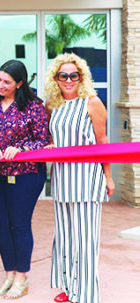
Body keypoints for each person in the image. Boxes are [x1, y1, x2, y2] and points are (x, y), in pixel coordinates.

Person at [44, 53, 115, 303]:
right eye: (63, 75)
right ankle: (68, 286)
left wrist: (108, 176)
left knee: (85, 241)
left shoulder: (92, 103)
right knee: (64, 238)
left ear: (81, 77)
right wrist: (51, 146)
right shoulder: (53, 105)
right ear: (56, 78)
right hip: (62, 179)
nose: (68, 80)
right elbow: (54, 139)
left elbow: (103, 141)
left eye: (74, 75)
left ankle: (85, 294)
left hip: (87, 178)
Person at [0, 60, 49, 299]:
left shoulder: (33, 106)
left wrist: (20, 149)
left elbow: (43, 140)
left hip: (26, 174)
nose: (0, 85)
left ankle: (22, 276)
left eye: (6, 82)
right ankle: (9, 274)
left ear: (19, 84)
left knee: (19, 225)